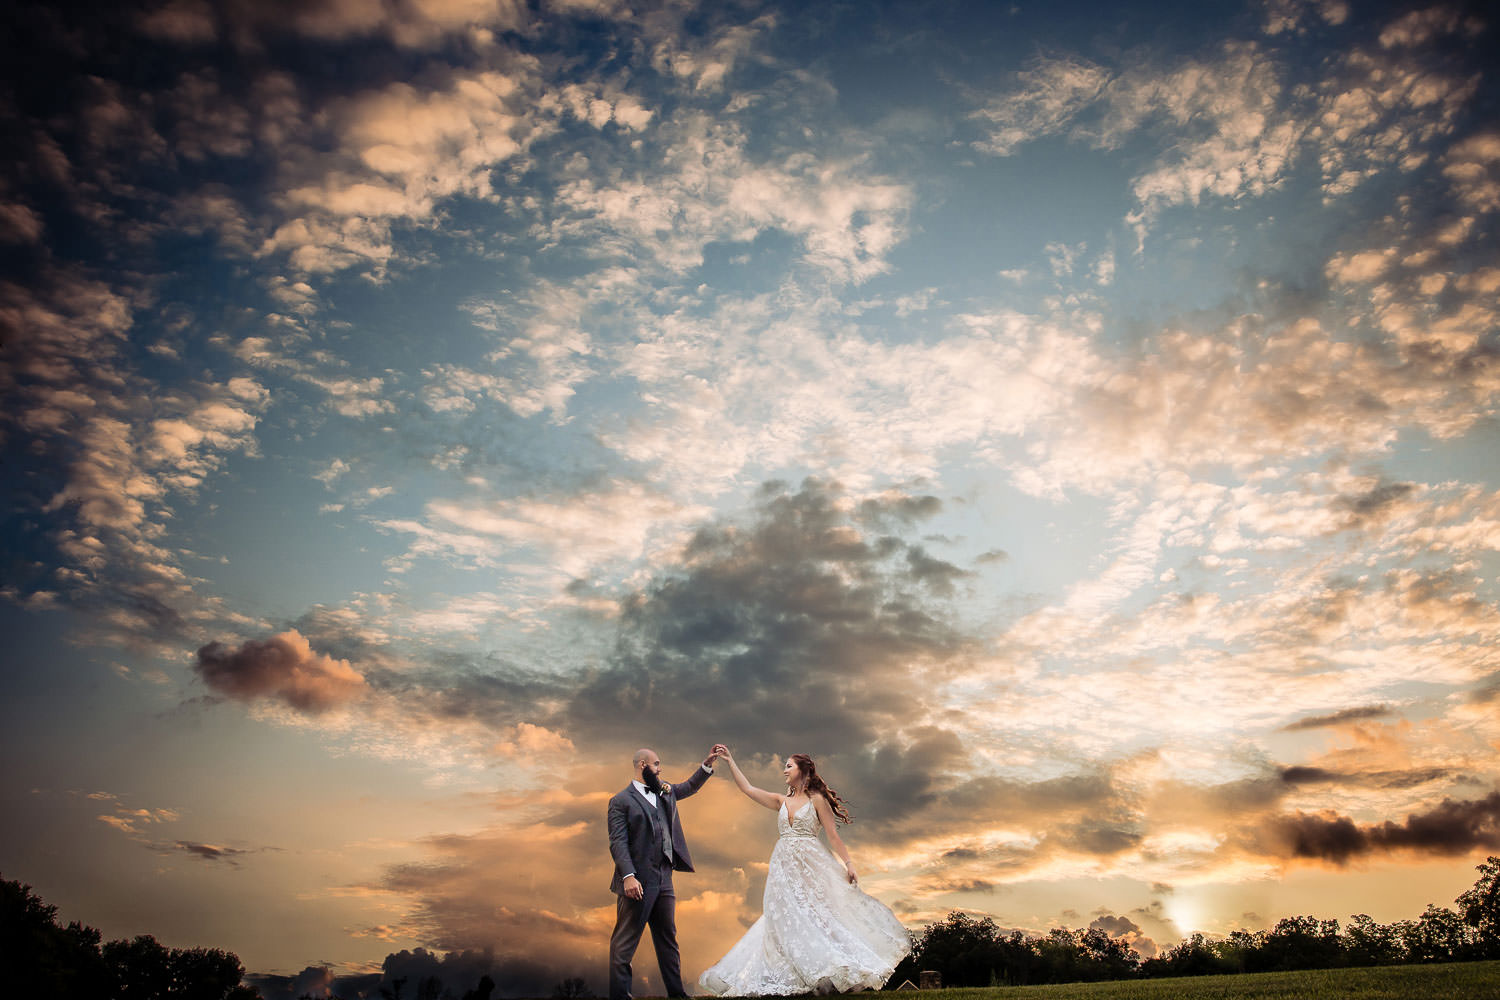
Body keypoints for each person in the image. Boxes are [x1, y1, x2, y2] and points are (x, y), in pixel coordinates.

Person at [699, 747, 911, 996]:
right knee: (780, 917)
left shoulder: (817, 801)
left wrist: (849, 864)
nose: (784, 770)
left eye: (789, 766)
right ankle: (788, 975)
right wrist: (730, 760)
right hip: (782, 866)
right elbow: (748, 789)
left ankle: (827, 972)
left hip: (810, 865)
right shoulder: (781, 801)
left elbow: (832, 835)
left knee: (813, 915)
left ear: (803, 770)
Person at [608, 746, 721, 1000]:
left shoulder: (664, 791)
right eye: (657, 764)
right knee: (624, 944)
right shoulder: (620, 801)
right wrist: (628, 876)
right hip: (637, 882)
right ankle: (620, 996)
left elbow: (689, 787)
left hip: (665, 879)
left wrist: (706, 765)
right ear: (642, 766)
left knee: (668, 940)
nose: (660, 769)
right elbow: (618, 842)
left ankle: (677, 995)